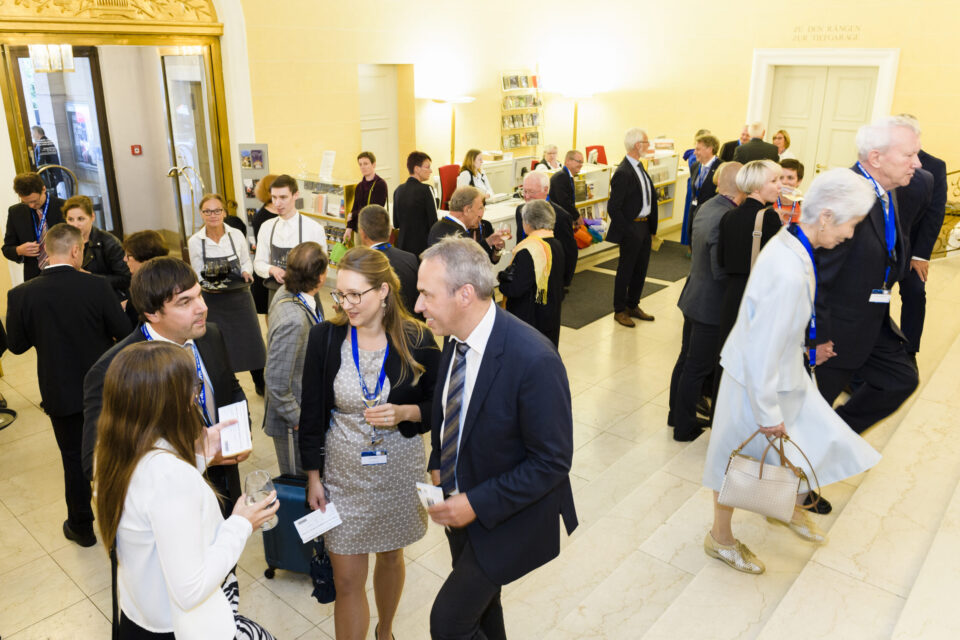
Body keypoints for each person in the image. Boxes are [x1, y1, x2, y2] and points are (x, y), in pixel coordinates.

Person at [701, 169, 882, 574]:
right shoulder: (786, 266)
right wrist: (767, 415)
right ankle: (720, 538)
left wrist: (806, 347)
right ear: (826, 217)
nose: (851, 235)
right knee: (736, 461)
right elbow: (763, 345)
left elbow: (780, 325)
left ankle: (786, 508)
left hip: (782, 371)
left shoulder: (793, 244)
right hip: (756, 379)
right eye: (851, 224)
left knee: (798, 444)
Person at [415, 237, 577, 639]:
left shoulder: (533, 358)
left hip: (509, 513)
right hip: (463, 504)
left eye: (425, 294)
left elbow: (552, 463)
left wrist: (475, 502)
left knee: (449, 622)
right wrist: (439, 461)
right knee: (484, 610)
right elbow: (451, 410)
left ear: (465, 294)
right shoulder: (453, 336)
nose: (418, 306)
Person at [299, 246, 440, 640]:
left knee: (391, 554)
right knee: (346, 581)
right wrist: (313, 476)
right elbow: (311, 413)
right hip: (343, 474)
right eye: (340, 294)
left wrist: (406, 413)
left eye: (355, 294)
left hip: (399, 468)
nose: (346, 304)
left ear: (383, 291)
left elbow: (441, 405)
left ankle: (386, 631)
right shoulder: (326, 338)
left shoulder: (417, 337)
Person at [94, 341, 278, 639]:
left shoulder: (113, 450)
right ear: (170, 403)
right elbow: (190, 590)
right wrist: (242, 523)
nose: (196, 397)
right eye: (193, 390)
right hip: (179, 628)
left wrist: (201, 456)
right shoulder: (170, 477)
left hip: (138, 615)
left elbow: (151, 499)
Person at [82, 257, 248, 518]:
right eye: (185, 302)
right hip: (167, 510)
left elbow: (230, 387)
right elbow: (98, 464)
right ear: (152, 313)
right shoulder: (114, 370)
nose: (202, 308)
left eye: (199, 296)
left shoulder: (209, 335)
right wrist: (198, 456)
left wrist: (238, 434)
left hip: (223, 487)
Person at [6, 223, 130, 548]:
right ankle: (124, 522)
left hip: (59, 390)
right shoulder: (98, 288)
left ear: (45, 251)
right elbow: (123, 330)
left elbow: (16, 346)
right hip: (104, 386)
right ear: (77, 251)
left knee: (73, 457)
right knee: (117, 450)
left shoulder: (21, 294)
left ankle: (81, 526)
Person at [814, 116, 922, 433]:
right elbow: (817, 274)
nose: (916, 163)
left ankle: (833, 439)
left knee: (899, 379)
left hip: (871, 320)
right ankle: (789, 476)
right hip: (834, 330)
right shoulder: (843, 194)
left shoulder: (887, 190)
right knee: (807, 412)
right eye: (908, 155)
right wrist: (817, 337)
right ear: (876, 158)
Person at [668, 162, 744, 442]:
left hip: (694, 295)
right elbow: (719, 269)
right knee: (697, 366)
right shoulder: (726, 217)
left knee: (686, 360)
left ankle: (676, 414)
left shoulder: (709, 205)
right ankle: (684, 427)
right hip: (710, 303)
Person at [189, 193, 267, 394]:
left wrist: (246, 271)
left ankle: (260, 382)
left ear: (224, 212)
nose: (213, 215)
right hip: (212, 300)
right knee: (218, 344)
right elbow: (197, 271)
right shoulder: (196, 241)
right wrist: (208, 284)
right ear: (201, 214)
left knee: (252, 342)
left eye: (217, 210)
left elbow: (246, 260)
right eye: (208, 211)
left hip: (239, 296)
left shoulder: (236, 235)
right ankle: (227, 383)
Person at [264, 242, 328, 475]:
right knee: (300, 484)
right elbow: (276, 384)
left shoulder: (292, 292)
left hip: (306, 407)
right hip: (292, 424)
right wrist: (301, 421)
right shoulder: (294, 320)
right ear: (321, 277)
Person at [896, 115, 947, 358]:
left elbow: (935, 213)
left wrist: (920, 254)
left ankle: (909, 351)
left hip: (912, 247)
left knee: (915, 293)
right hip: (881, 244)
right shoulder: (882, 159)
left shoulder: (934, 166)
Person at [717, 160, 783, 343]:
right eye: (773, 180)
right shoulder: (769, 217)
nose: (779, 185)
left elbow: (720, 260)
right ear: (756, 187)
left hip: (731, 295)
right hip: (756, 294)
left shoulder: (728, 215)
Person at [607, 128, 658, 328]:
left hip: (644, 227)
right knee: (626, 270)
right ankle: (619, 309)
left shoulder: (639, 167)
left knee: (641, 269)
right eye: (646, 142)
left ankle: (633, 304)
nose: (648, 145)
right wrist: (627, 230)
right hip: (632, 228)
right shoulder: (623, 172)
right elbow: (614, 207)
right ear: (638, 145)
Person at [497, 199, 566, 346]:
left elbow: (515, 289)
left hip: (530, 319)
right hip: (551, 313)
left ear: (528, 222)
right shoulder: (556, 244)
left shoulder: (529, 250)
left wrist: (501, 280)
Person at [253, 174, 328, 306]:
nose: (277, 203)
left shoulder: (314, 228)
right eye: (274, 197)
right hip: (276, 294)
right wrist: (273, 270)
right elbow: (258, 263)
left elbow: (322, 268)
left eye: (283, 197)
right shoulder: (267, 227)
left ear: (295, 195)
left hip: (306, 294)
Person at [515, 170, 579, 288]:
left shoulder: (560, 216)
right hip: (524, 278)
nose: (527, 196)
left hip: (548, 281)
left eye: (531, 192)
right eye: (524, 191)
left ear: (546, 190)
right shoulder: (520, 211)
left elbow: (570, 252)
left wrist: (563, 283)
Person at [63, 194, 131, 301]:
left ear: (92, 217)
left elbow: (125, 279)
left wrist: (91, 277)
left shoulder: (109, 243)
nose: (75, 225)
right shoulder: (63, 242)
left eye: (81, 219)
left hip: (106, 299)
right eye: (70, 219)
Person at [357, 204, 420, 315]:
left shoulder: (361, 265)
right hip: (411, 327)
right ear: (390, 231)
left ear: (362, 233)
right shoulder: (411, 259)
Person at [3, 172, 65, 281]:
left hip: (63, 272)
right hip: (34, 277)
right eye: (26, 202)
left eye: (34, 201)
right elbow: (7, 249)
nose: (31, 206)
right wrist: (19, 250)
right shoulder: (15, 212)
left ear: (43, 189)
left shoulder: (64, 207)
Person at [427, 186, 505, 263]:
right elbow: (470, 265)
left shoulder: (439, 226)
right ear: (467, 210)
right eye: (480, 208)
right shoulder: (457, 236)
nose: (481, 214)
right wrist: (489, 241)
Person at [121, 230, 169, 331]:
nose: (124, 259)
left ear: (144, 258)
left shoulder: (146, 287)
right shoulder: (166, 275)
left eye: (128, 255)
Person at [393, 150, 438, 257]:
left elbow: (396, 223)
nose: (431, 171)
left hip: (402, 248)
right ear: (417, 169)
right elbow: (434, 223)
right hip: (422, 249)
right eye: (427, 167)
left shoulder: (398, 190)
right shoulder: (427, 189)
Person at [251, 174, 279, 315]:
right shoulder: (262, 217)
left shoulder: (281, 212)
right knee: (270, 309)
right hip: (268, 267)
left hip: (281, 267)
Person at [345, 151, 389, 242]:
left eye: (366, 164)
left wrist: (352, 215)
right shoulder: (359, 186)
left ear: (374, 165)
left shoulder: (380, 184)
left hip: (373, 231)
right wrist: (348, 228)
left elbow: (373, 209)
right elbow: (355, 207)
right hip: (359, 230)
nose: (362, 167)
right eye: (360, 164)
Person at [679, 129, 711, 247]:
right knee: (690, 215)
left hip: (705, 190)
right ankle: (688, 243)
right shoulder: (693, 156)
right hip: (694, 189)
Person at [688, 134, 721, 221]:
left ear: (709, 149)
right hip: (694, 214)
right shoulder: (695, 166)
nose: (694, 152)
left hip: (711, 217)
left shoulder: (721, 168)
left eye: (698, 149)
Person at [548, 150, 583, 223]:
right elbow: (564, 202)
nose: (581, 165)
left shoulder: (567, 176)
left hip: (564, 218)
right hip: (558, 221)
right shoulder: (560, 178)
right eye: (578, 161)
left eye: (582, 162)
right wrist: (576, 217)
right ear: (568, 161)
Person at [31, 126, 64, 194]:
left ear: (37, 133)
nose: (32, 136)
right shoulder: (48, 141)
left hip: (48, 176)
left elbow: (41, 162)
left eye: (32, 133)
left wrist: (35, 172)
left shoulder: (41, 143)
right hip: (54, 174)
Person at [775, 159, 805, 224]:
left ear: (799, 181)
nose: (784, 182)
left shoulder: (805, 207)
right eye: (781, 177)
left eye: (790, 178)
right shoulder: (767, 203)